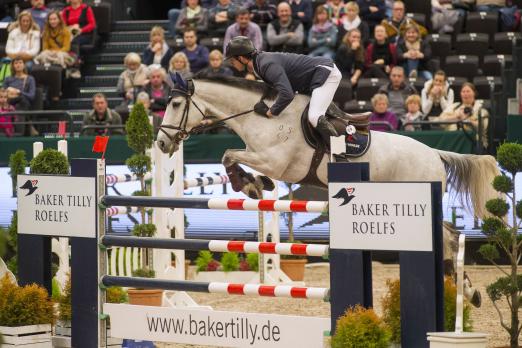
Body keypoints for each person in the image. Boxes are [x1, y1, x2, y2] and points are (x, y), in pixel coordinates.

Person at [225, 36, 342, 144]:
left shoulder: (266, 65)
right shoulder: (259, 63)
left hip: (325, 73)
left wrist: (270, 112)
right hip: (311, 79)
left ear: (241, 58)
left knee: (314, 116)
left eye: (232, 61)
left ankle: (340, 154)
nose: (231, 64)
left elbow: (287, 94)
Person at [439, 82, 489, 147]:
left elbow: (482, 127)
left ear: (474, 93)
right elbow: (440, 121)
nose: (465, 94)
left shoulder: (481, 110)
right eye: (463, 91)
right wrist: (456, 117)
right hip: (452, 139)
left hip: (473, 141)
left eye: (468, 91)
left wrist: (467, 120)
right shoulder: (454, 107)